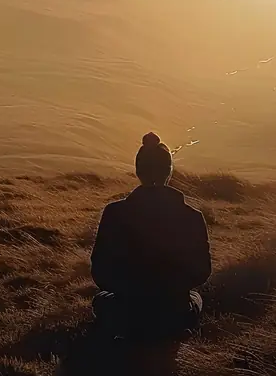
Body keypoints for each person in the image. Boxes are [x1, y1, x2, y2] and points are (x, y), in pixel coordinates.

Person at [91, 133, 212, 340]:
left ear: (138, 171)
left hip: (127, 310)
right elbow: (201, 272)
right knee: (195, 298)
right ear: (169, 172)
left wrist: (129, 292)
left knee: (100, 300)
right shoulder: (192, 216)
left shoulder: (114, 213)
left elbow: (100, 271)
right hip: (174, 311)